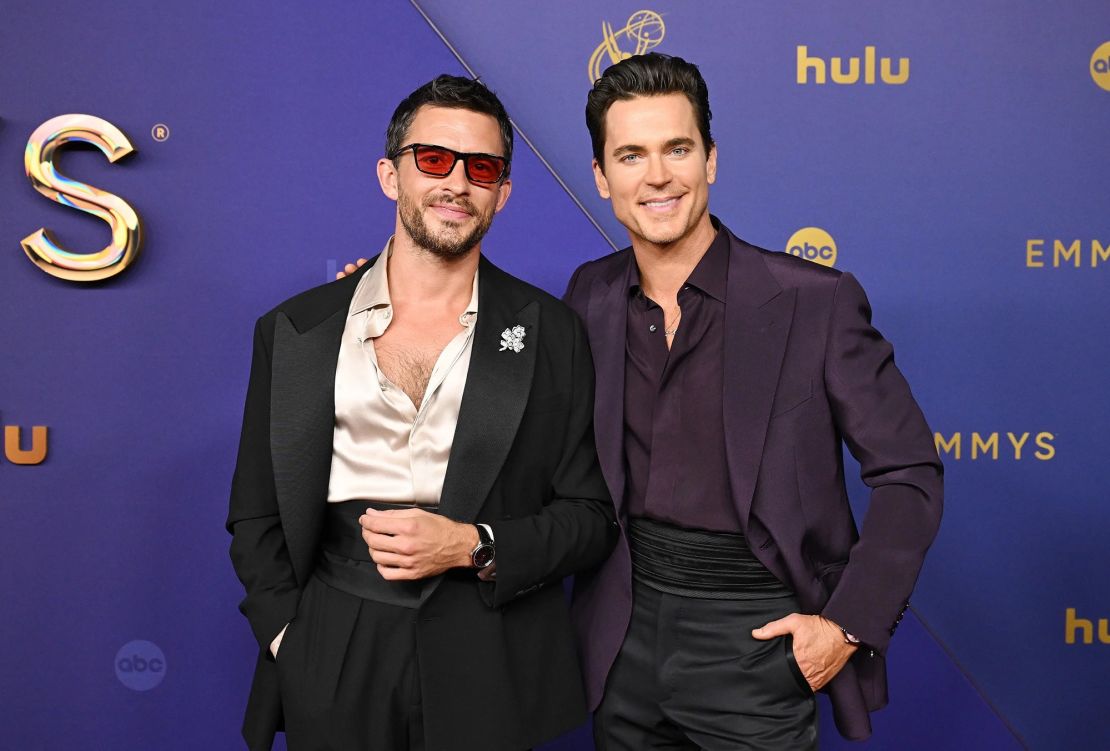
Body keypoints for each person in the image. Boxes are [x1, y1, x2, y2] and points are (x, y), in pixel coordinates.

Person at [563, 53, 943, 749]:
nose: (656, 176)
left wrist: (846, 624)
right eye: (630, 155)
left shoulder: (814, 301)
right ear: (601, 177)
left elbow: (910, 470)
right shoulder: (588, 294)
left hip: (756, 634)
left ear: (710, 159)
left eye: (677, 148)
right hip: (622, 630)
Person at [227, 74, 616, 751]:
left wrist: (473, 544)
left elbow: (588, 518)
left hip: (491, 651)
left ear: (503, 193)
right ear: (390, 174)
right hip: (336, 648)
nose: (457, 183)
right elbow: (256, 510)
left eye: (483, 168)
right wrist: (293, 637)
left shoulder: (553, 332)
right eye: (434, 159)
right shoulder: (295, 329)